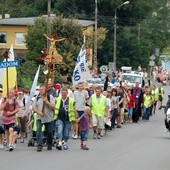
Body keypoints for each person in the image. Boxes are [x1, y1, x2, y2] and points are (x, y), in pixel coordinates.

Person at [32, 85, 55, 152]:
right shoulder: (37, 98)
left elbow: (53, 108)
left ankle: (49, 144)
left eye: (42, 89)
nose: (41, 90)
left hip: (48, 118)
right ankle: (39, 145)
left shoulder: (50, 97)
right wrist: (39, 112)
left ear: (45, 90)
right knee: (38, 131)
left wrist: (47, 102)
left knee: (49, 132)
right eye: (40, 89)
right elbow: (34, 107)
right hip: (39, 117)